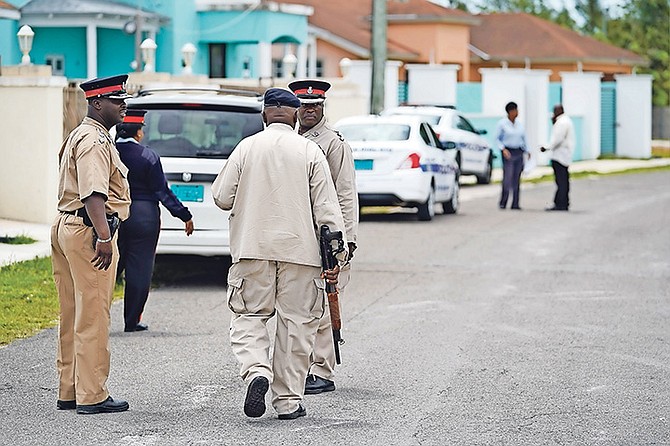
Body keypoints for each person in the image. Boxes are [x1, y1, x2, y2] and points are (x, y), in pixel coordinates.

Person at [211, 87, 348, 420]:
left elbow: (221, 196)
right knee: (296, 324)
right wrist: (337, 253)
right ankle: (287, 401)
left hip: (252, 248)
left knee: (249, 316)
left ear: (263, 115)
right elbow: (327, 210)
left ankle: (257, 370)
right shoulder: (310, 151)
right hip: (301, 252)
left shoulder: (246, 147)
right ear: (297, 115)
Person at [50, 74, 132, 414]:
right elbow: (93, 193)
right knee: (93, 315)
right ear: (97, 103)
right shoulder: (95, 141)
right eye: (116, 99)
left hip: (67, 225)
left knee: (72, 313)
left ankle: (70, 390)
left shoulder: (79, 134)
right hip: (88, 231)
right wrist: (103, 236)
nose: (123, 103)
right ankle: (92, 394)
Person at [288, 79, 358, 395]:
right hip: (296, 232)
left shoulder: (333, 143)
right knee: (301, 303)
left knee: (325, 301)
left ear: (323, 107)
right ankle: (302, 366)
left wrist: (347, 240)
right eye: (304, 106)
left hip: (325, 234)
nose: (309, 111)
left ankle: (323, 370)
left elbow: (345, 192)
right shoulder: (289, 139)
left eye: (315, 106)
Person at [115, 109, 194, 332]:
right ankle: (132, 321)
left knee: (108, 267)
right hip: (143, 216)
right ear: (138, 133)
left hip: (111, 215)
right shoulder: (147, 156)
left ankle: (94, 318)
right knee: (139, 268)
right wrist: (184, 215)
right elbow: (162, 191)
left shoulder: (107, 152)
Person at [495, 101, 529, 210]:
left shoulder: (519, 124)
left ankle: (515, 203)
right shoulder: (502, 124)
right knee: (507, 178)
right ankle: (503, 202)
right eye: (515, 110)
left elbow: (523, 138)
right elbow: (496, 139)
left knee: (517, 178)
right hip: (508, 152)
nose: (517, 112)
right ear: (510, 111)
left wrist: (528, 151)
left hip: (518, 151)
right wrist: (503, 149)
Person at [541, 104, 575, 211]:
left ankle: (560, 203)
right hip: (564, 156)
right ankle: (564, 202)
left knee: (561, 181)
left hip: (559, 156)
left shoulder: (561, 122)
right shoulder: (566, 120)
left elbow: (557, 139)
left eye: (554, 111)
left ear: (559, 111)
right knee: (564, 181)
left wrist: (546, 147)